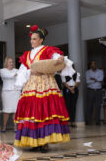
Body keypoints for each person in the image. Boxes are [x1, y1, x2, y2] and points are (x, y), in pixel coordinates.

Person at [14, 25, 70, 153]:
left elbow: (57, 57)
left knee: (45, 112)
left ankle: (44, 142)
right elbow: (23, 70)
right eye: (31, 39)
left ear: (41, 40)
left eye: (34, 39)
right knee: (32, 113)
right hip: (32, 84)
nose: (31, 41)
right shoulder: (27, 54)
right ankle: (34, 141)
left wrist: (59, 59)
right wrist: (22, 81)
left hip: (45, 83)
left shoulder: (47, 50)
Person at [0, 57, 21, 133]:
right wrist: (16, 74)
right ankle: (4, 126)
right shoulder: (2, 71)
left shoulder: (17, 70)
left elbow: (20, 78)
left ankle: (15, 126)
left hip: (16, 92)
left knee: (15, 110)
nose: (11, 64)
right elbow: (8, 76)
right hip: (7, 92)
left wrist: (18, 74)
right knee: (6, 111)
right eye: (9, 62)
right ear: (6, 63)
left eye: (12, 62)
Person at [85, 60, 104, 125]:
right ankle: (88, 121)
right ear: (90, 65)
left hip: (98, 90)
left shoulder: (100, 71)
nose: (94, 65)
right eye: (92, 64)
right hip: (90, 90)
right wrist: (96, 80)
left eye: (95, 63)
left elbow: (101, 79)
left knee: (98, 106)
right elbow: (87, 81)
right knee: (89, 106)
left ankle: (97, 121)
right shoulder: (87, 72)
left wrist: (93, 79)